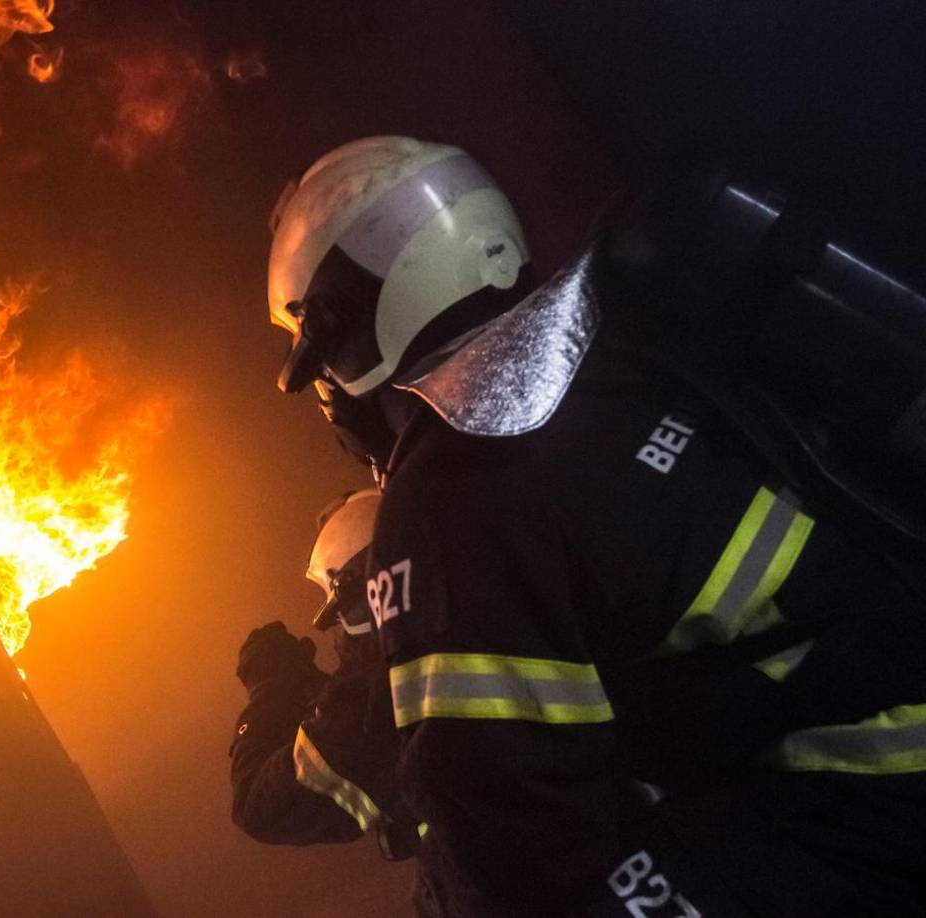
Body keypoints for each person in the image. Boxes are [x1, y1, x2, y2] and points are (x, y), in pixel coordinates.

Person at [265, 135, 926, 915]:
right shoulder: (625, 327)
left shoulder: (454, 489)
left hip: (868, 805)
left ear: (345, 322)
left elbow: (514, 846)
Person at [230, 489, 424, 867]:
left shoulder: (383, 696)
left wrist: (269, 688)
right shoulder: (481, 616)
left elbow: (261, 807)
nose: (339, 627)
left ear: (363, 594)